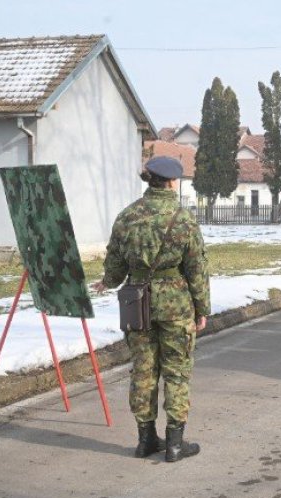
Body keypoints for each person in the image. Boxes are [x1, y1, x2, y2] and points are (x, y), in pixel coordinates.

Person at [92, 156, 209, 462]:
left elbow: (115, 264)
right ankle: (174, 443)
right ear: (172, 181)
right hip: (176, 305)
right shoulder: (183, 218)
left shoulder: (127, 216)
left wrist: (108, 281)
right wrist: (202, 308)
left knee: (143, 371)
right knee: (176, 372)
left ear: (149, 179)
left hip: (137, 302)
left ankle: (145, 440)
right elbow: (196, 268)